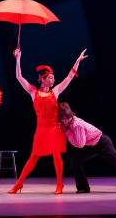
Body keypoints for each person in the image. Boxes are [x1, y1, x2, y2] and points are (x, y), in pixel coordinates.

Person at [8, 48, 88, 194]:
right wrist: (18, 58)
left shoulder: (55, 91)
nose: (53, 80)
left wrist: (78, 61)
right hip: (41, 129)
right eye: (50, 78)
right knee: (34, 157)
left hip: (55, 128)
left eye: (53, 78)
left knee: (56, 154)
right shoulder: (33, 92)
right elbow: (19, 76)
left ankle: (59, 184)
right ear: (43, 79)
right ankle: (19, 183)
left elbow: (69, 77)